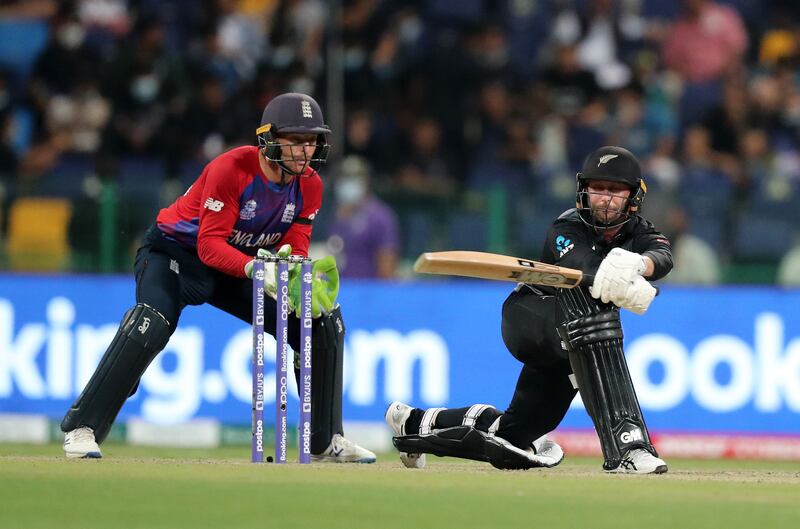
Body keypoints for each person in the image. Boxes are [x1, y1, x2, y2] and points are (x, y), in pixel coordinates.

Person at [61, 92, 376, 463]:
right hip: (175, 254)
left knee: (320, 320)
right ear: (269, 138)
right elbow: (209, 246)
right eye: (295, 140)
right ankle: (82, 428)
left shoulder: (310, 185)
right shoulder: (232, 169)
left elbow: (295, 243)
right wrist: (257, 268)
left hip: (241, 263)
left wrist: (291, 274)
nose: (304, 151)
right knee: (152, 320)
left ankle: (325, 441)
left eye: (311, 141)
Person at [386, 146, 672, 474]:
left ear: (632, 196)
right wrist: (623, 283)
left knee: (514, 433)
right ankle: (627, 447)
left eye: (615, 191)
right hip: (532, 317)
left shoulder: (641, 232)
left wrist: (642, 263)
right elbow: (587, 270)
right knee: (592, 312)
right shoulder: (566, 228)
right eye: (598, 189)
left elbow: (663, 255)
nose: (605, 198)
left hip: (571, 346)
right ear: (585, 191)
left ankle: (413, 422)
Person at [327, 155, 400, 279]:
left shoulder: (380, 216)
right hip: (333, 290)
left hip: (367, 291)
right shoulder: (329, 213)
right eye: (344, 178)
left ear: (366, 181)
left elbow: (387, 266)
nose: (348, 183)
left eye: (354, 178)